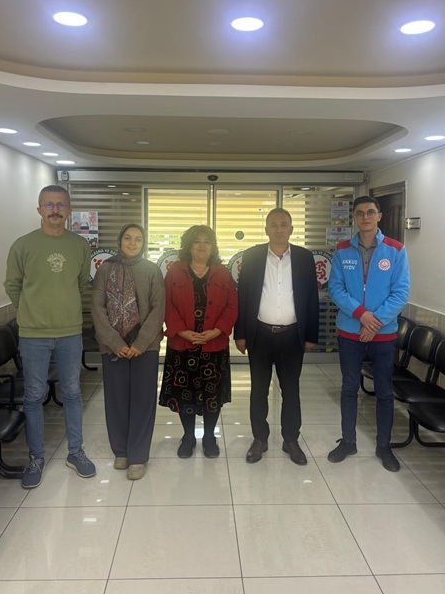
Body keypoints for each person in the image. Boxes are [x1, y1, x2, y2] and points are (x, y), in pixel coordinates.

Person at [4, 185, 96, 488]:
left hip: (70, 331)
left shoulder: (80, 245)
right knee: (33, 396)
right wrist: (29, 312)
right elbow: (12, 285)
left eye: (60, 205)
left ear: (69, 210)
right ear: (39, 210)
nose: (55, 210)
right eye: (49, 205)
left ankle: (75, 452)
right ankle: (36, 457)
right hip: (33, 334)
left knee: (72, 393)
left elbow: (81, 283)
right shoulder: (23, 245)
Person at [327, 196, 410, 472]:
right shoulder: (342, 250)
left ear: (379, 216)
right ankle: (348, 441)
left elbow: (401, 292)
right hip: (350, 330)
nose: (365, 217)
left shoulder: (396, 250)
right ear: (353, 217)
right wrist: (361, 314)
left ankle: (383, 445)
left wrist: (374, 321)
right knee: (349, 387)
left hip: (383, 334)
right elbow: (336, 288)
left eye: (370, 212)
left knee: (384, 391)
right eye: (360, 213)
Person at [234, 208, 319, 465]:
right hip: (259, 334)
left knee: (291, 390)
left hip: (292, 336)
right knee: (258, 390)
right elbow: (243, 295)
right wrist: (240, 333)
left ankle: (290, 439)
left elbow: (311, 298)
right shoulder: (252, 256)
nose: (279, 229)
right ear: (266, 229)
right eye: (273, 224)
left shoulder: (304, 257)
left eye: (284, 224)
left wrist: (311, 335)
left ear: (291, 229)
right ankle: (260, 438)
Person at [91, 224, 165, 480]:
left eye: (138, 239)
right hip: (113, 346)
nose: (132, 243)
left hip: (145, 346)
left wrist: (140, 343)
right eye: (128, 238)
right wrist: (116, 343)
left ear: (144, 243)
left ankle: (138, 456)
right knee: (116, 400)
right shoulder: (105, 270)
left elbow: (158, 309)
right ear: (120, 240)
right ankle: (121, 451)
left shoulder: (152, 270)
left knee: (143, 401)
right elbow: (98, 308)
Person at [159, 225, 238, 458]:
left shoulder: (222, 273)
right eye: (197, 241)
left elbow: (232, 306)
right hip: (182, 345)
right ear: (188, 246)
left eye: (207, 241)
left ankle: (210, 437)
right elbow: (166, 304)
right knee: (185, 394)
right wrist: (182, 331)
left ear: (213, 247)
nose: (202, 246)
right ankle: (188, 436)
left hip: (214, 345)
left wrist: (217, 331)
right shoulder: (175, 272)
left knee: (212, 395)